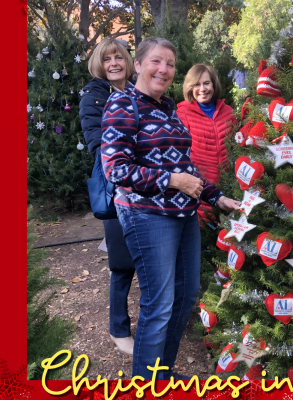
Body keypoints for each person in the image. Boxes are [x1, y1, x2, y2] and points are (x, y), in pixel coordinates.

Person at [101, 37, 240, 380]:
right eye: (156, 61)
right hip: (147, 216)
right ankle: (146, 384)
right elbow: (116, 169)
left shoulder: (166, 108)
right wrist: (173, 182)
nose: (164, 70)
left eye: (171, 64)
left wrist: (214, 195)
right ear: (139, 64)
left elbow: (185, 165)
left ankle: (160, 376)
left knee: (187, 294)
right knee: (159, 305)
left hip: (185, 213)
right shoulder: (123, 104)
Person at [79, 37, 136, 355]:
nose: (114, 63)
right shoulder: (94, 95)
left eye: (119, 57)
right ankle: (119, 329)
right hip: (117, 188)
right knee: (122, 262)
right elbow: (96, 142)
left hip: (147, 186)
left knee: (150, 258)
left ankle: (158, 321)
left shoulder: (138, 89)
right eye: (108, 58)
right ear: (99, 63)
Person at [176, 64, 236, 186]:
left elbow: (236, 147)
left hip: (230, 186)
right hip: (200, 189)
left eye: (206, 83)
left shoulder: (228, 112)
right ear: (190, 87)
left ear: (214, 84)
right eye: (197, 84)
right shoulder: (183, 114)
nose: (202, 89)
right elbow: (179, 155)